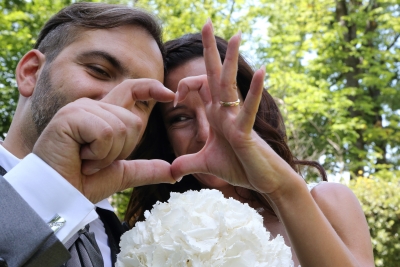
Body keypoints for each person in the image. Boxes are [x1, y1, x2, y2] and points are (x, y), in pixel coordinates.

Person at [126, 21, 375, 266]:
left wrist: (282, 189)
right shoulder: (154, 235)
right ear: (166, 138)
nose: (205, 132)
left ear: (250, 108)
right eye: (180, 118)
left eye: (219, 104)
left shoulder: (328, 203)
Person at [0, 2, 179, 267]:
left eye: (142, 101)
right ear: (31, 73)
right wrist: (47, 188)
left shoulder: (128, 240)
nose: (118, 103)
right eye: (99, 70)